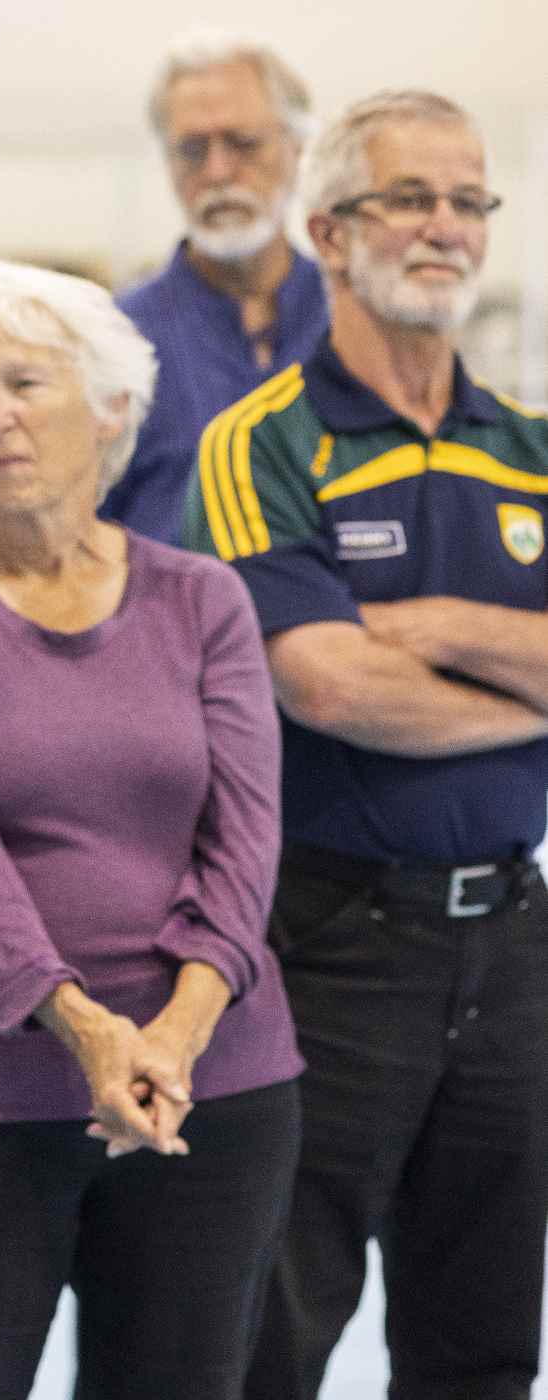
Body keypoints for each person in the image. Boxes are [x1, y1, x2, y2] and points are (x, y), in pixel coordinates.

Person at [0, 259, 303, 1400]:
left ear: (110, 408)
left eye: (23, 384)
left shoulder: (204, 599)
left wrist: (176, 1035)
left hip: (208, 1093)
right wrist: (88, 1030)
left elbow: (246, 842)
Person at [181, 91, 548, 1400]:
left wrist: (435, 624)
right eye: (409, 198)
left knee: (482, 1347)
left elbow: (372, 660)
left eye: (467, 200)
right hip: (332, 945)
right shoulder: (262, 443)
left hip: (514, 948)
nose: (445, 226)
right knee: (270, 1338)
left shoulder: (531, 450)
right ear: (330, 233)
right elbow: (327, 684)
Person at [103, 31, 327, 544]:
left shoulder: (356, 323)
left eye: (243, 143)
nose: (219, 172)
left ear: (297, 148)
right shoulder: (114, 341)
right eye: (192, 150)